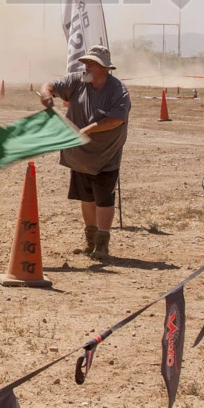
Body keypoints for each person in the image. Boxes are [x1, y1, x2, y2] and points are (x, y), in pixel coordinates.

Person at [39, 45, 131, 260]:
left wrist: (89, 129)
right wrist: (46, 93)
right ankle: (90, 242)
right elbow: (50, 85)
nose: (86, 67)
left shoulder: (118, 90)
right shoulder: (77, 81)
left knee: (104, 200)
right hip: (79, 155)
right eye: (86, 63)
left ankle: (102, 244)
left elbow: (117, 118)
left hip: (105, 156)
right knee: (86, 198)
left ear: (104, 68)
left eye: (91, 64)